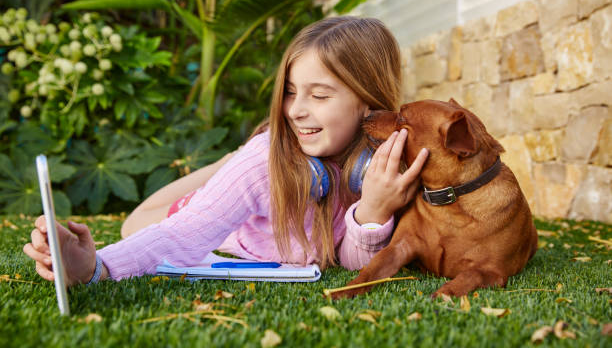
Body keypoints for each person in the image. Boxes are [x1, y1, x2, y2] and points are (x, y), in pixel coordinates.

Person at [23, 16, 429, 287]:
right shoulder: (263, 164)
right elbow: (180, 234)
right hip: (224, 215)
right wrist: (96, 268)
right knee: (135, 224)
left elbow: (352, 262)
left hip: (251, 189)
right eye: (288, 93)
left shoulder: (379, 165)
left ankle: (227, 162)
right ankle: (225, 162)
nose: (296, 110)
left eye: (319, 95)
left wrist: (373, 211)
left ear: (369, 100)